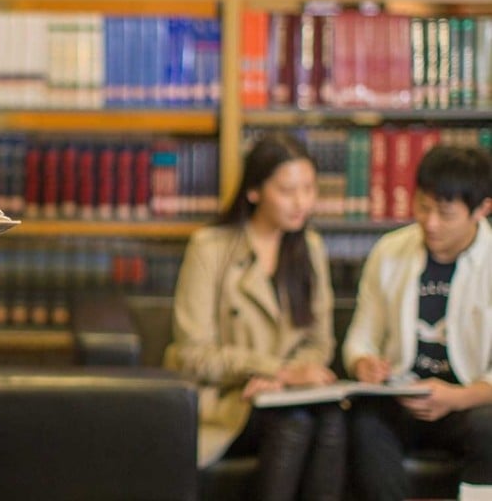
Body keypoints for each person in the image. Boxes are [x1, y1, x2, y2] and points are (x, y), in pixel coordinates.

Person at [163, 132, 345, 501]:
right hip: (230, 399)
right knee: (294, 422)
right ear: (254, 191)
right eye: (288, 190)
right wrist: (275, 371)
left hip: (289, 395)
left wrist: (290, 380)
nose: (302, 202)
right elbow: (192, 353)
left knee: (331, 419)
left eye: (309, 189)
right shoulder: (210, 248)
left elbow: (319, 342)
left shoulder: (310, 247)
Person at [342, 144, 492, 501]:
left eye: (445, 213)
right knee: (363, 422)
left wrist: (458, 397)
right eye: (423, 207)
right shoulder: (390, 251)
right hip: (403, 398)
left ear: (482, 210)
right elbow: (360, 338)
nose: (430, 222)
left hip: (469, 402)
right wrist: (364, 363)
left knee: (489, 427)